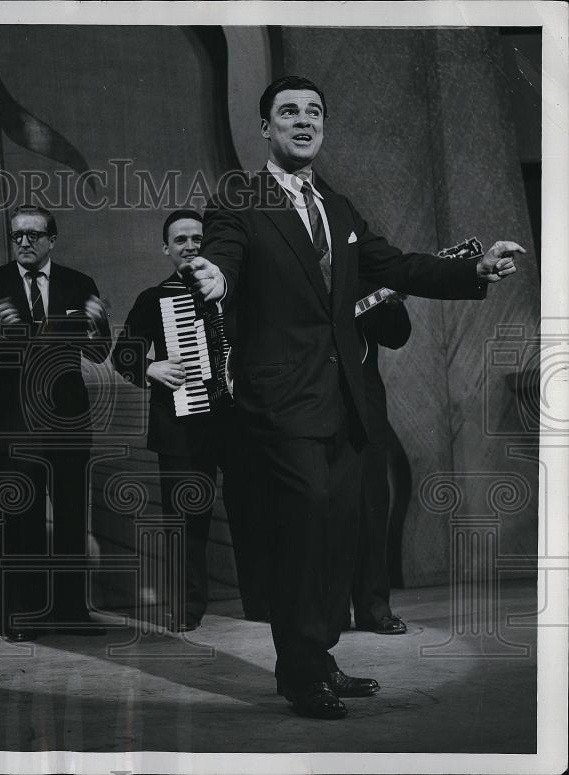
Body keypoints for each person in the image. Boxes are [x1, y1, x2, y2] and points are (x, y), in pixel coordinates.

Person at [184, 76, 521, 719]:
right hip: (281, 403)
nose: (304, 121)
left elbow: (396, 267)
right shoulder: (239, 198)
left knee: (338, 537)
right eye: (289, 112)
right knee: (305, 531)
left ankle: (320, 657)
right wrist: (214, 276)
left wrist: (469, 270)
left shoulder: (336, 208)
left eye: (314, 112)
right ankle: (300, 672)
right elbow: (223, 255)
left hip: (345, 403)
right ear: (265, 128)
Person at [0, 205, 111, 642]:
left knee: (69, 516)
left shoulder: (80, 285)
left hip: (68, 419)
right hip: (11, 420)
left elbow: (100, 352)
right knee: (19, 517)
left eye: (32, 235)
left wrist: (98, 324)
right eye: (17, 235)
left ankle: (71, 611)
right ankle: (22, 614)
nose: (23, 242)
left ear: (52, 240)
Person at [111, 209, 239, 632]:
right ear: (166, 249)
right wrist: (150, 368)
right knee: (186, 519)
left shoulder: (234, 289)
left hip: (242, 423)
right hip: (184, 427)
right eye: (180, 239)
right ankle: (188, 608)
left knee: (256, 512)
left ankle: (267, 602)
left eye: (197, 238)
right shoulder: (156, 298)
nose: (190, 246)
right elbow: (123, 355)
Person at [346, 286, 412, 634]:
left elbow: (396, 336)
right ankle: (329, 611)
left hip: (363, 407)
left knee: (371, 502)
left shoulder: (362, 270)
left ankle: (374, 608)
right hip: (307, 401)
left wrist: (390, 303)